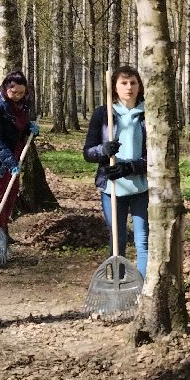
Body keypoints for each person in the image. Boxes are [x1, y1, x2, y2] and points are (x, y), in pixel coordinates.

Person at [83, 65, 149, 279]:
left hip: (141, 187)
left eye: (133, 83)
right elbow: (88, 152)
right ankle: (118, 284)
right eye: (124, 83)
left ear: (140, 86)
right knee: (118, 240)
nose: (129, 87)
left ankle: (142, 286)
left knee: (143, 239)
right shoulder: (104, 114)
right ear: (114, 87)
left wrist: (131, 167)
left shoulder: (149, 114)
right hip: (112, 187)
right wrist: (103, 150)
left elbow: (157, 157)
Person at [0, 71, 40, 239]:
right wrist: (10, 162)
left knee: (11, 194)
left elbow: (18, 126)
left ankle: (3, 230)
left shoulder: (22, 104)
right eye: (14, 92)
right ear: (5, 88)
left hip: (14, 154)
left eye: (21, 92)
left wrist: (29, 128)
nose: (17, 96)